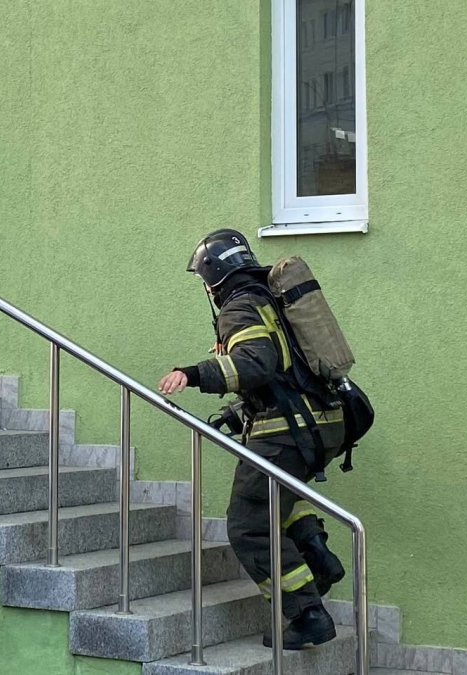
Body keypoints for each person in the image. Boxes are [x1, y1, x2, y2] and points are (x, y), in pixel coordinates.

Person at [158, 229, 346, 650]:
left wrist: (192, 374)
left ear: (215, 277)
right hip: (322, 422)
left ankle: (307, 614)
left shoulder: (239, 308)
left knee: (248, 525)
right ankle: (317, 555)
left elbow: (256, 364)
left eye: (204, 280)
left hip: (288, 431)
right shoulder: (269, 300)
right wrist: (237, 412)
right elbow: (283, 371)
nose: (205, 289)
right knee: (276, 497)